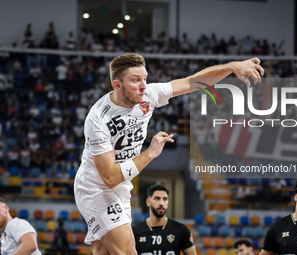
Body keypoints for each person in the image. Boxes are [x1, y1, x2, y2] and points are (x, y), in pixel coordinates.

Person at [74, 52, 264, 255]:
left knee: (104, 252)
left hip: (122, 187)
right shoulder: (98, 120)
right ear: (117, 85)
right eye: (136, 80)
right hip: (96, 188)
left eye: (145, 78)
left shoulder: (149, 95)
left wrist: (233, 66)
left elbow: (193, 82)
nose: (143, 86)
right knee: (128, 249)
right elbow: (110, 177)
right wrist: (150, 154)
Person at [132, 184, 196, 255]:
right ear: (148, 202)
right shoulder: (135, 232)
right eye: (157, 198)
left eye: (165, 199)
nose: (161, 203)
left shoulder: (181, 229)